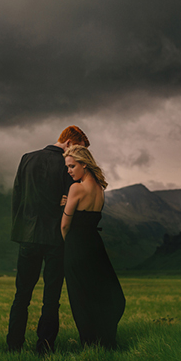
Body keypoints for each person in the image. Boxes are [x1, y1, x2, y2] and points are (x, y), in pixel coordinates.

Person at [7, 126, 90, 355]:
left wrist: (20, 231)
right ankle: (44, 348)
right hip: (56, 239)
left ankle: (13, 346)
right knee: (51, 299)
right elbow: (72, 199)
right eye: (79, 148)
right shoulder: (67, 165)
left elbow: (17, 195)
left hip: (28, 237)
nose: (78, 155)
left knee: (21, 295)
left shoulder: (26, 158)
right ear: (70, 141)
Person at [61, 145, 125, 349]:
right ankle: (105, 340)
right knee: (100, 293)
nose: (69, 171)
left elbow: (65, 225)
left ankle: (90, 344)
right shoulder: (100, 189)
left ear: (84, 164)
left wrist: (67, 243)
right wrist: (68, 203)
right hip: (95, 247)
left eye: (72, 166)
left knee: (81, 297)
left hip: (77, 247)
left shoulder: (76, 188)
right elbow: (86, 214)